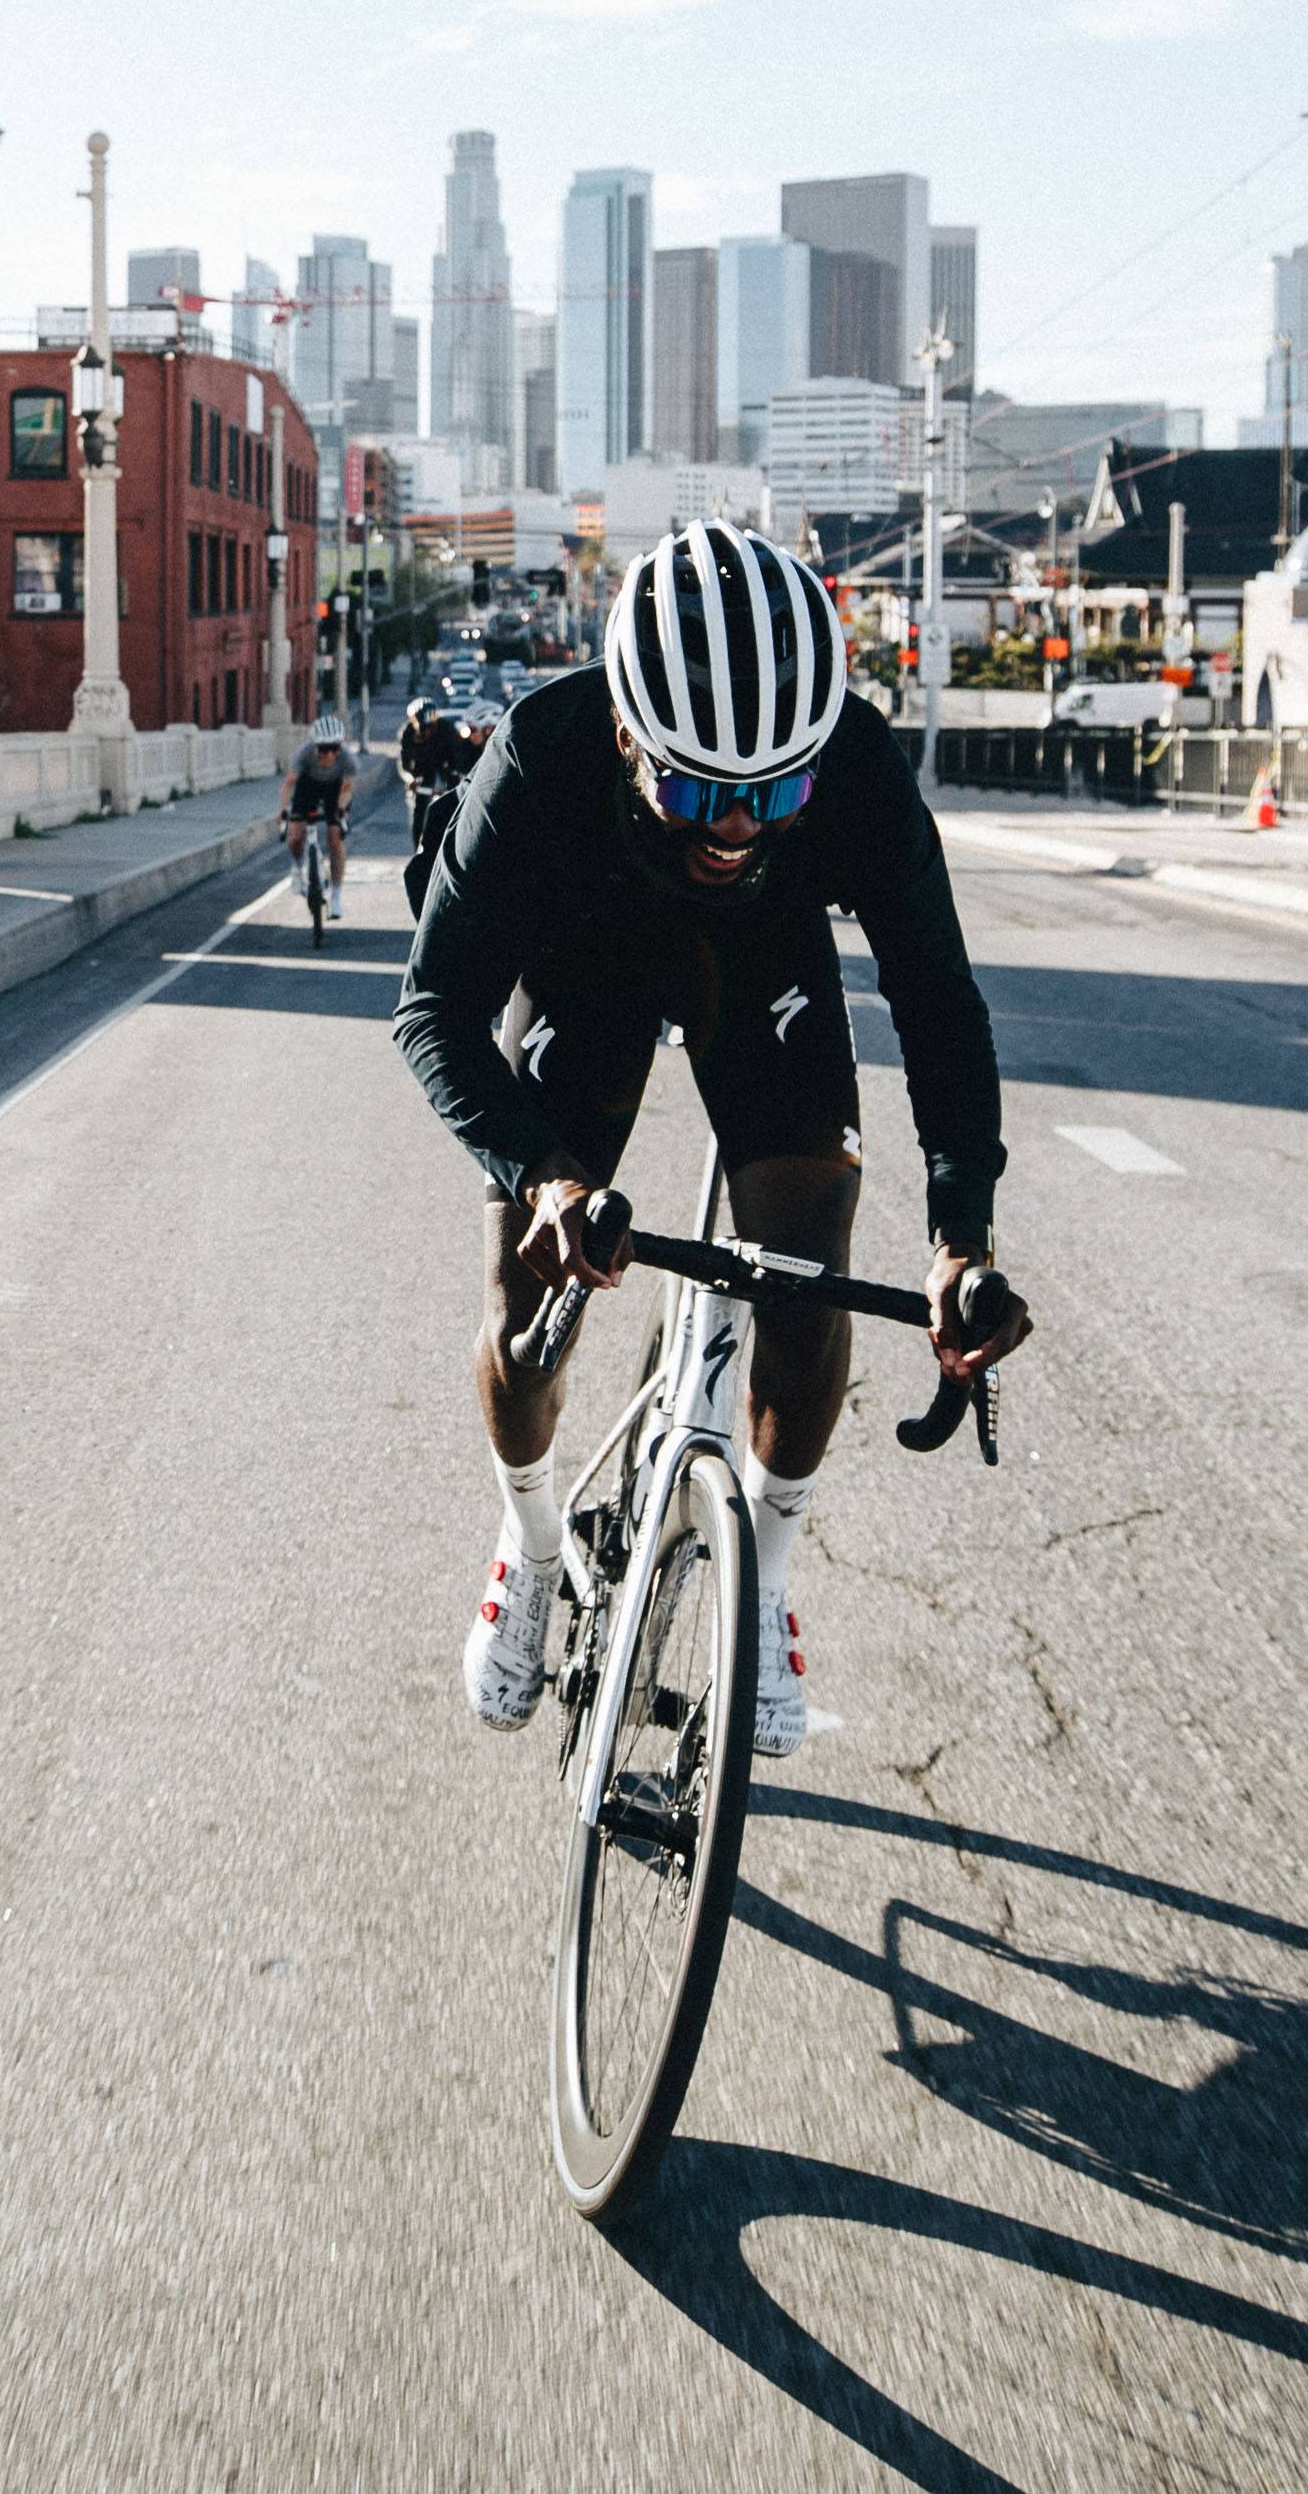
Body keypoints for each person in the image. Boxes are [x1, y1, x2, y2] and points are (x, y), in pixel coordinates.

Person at [388, 523, 1029, 1757]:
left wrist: (961, 1235)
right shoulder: (540, 754)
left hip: (763, 968)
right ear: (629, 734)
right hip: (587, 957)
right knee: (527, 1306)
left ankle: (767, 1575)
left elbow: (940, 1003)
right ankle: (525, 1545)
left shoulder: (849, 766)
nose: (734, 825)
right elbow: (431, 1010)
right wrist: (546, 1176)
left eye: (772, 792)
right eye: (694, 790)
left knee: (803, 1279)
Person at [393, 694, 488, 917]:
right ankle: (421, 850)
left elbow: (457, 758)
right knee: (420, 809)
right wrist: (410, 780)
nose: (426, 731)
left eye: (430, 726)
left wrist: (455, 781)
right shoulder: (407, 733)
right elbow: (403, 763)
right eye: (422, 727)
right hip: (422, 772)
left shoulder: (445, 730)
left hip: (445, 766)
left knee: (451, 802)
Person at [281, 722, 355, 893]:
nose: (329, 754)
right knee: (295, 835)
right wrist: (283, 811)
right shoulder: (303, 755)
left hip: (334, 791)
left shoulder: (347, 759)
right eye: (323, 749)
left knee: (335, 839)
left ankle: (336, 893)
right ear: (315, 746)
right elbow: (288, 785)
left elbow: (346, 789)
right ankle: (297, 868)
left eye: (334, 748)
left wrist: (341, 810)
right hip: (307, 788)